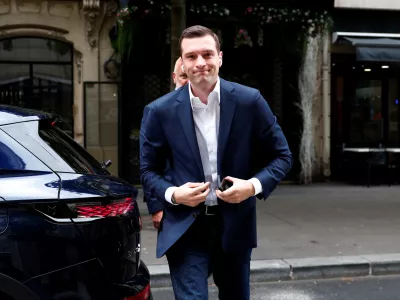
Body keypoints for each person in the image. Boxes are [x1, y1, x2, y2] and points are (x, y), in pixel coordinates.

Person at [140, 25, 292, 300]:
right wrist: (173, 194)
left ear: (220, 57)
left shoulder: (249, 101)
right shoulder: (159, 111)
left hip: (234, 226)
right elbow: (148, 170)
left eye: (207, 54)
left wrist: (252, 186)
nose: (200, 63)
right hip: (185, 228)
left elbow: (283, 156)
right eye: (192, 56)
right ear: (183, 64)